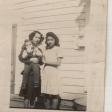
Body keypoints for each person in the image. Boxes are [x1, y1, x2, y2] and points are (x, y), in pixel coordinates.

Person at [19, 31, 44, 108]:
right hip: (28, 74)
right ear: (32, 37)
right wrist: (31, 60)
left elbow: (41, 61)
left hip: (36, 74)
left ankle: (32, 108)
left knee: (34, 94)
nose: (37, 39)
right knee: (26, 94)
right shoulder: (26, 46)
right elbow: (21, 58)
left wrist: (38, 60)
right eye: (36, 37)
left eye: (39, 38)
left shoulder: (39, 49)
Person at [41, 32, 63, 109]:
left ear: (55, 40)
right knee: (45, 93)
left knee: (54, 94)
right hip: (46, 72)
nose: (49, 41)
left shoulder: (58, 49)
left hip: (54, 73)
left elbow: (58, 63)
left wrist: (46, 62)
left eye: (51, 40)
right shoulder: (45, 49)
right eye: (48, 40)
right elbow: (42, 59)